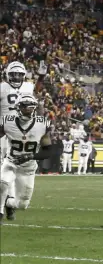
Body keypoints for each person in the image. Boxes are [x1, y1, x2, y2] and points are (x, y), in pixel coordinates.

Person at [0, 94, 61, 223]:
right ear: (18, 108)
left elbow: (48, 150)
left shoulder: (42, 124)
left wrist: (31, 156)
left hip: (28, 167)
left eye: (31, 107)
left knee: (23, 204)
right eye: (25, 107)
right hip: (11, 161)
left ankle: (8, 204)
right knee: (3, 183)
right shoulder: (7, 121)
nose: (28, 110)